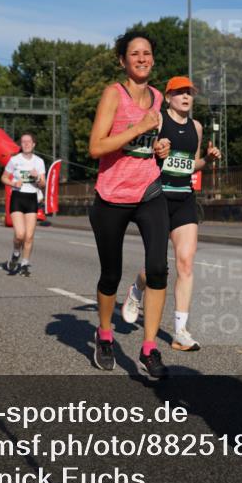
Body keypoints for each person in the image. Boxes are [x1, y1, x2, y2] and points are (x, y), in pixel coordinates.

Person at [87, 31, 171, 379]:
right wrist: (137, 128)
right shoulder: (113, 94)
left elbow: (153, 141)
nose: (141, 58)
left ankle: (149, 348)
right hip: (111, 195)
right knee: (110, 274)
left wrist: (161, 148)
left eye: (147, 53)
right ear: (122, 60)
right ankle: (104, 335)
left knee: (157, 269)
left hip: (149, 190)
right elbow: (96, 147)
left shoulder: (157, 96)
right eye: (134, 54)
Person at [121, 76, 221, 352]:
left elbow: (191, 165)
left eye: (189, 92)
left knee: (186, 263)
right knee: (158, 267)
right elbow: (141, 151)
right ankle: (137, 290)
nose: (186, 97)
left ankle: (180, 332)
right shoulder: (159, 120)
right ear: (168, 97)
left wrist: (207, 160)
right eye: (180, 93)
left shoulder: (197, 128)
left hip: (184, 198)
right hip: (158, 197)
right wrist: (156, 149)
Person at [1, 134, 46, 276]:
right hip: (17, 197)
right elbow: (3, 177)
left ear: (34, 144)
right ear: (21, 144)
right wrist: (13, 183)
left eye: (29, 142)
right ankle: (15, 253)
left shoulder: (39, 162)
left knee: (29, 236)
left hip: (32, 197)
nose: (26, 144)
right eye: (23, 142)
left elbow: (43, 184)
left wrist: (37, 177)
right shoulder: (14, 160)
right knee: (20, 235)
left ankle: (25, 263)